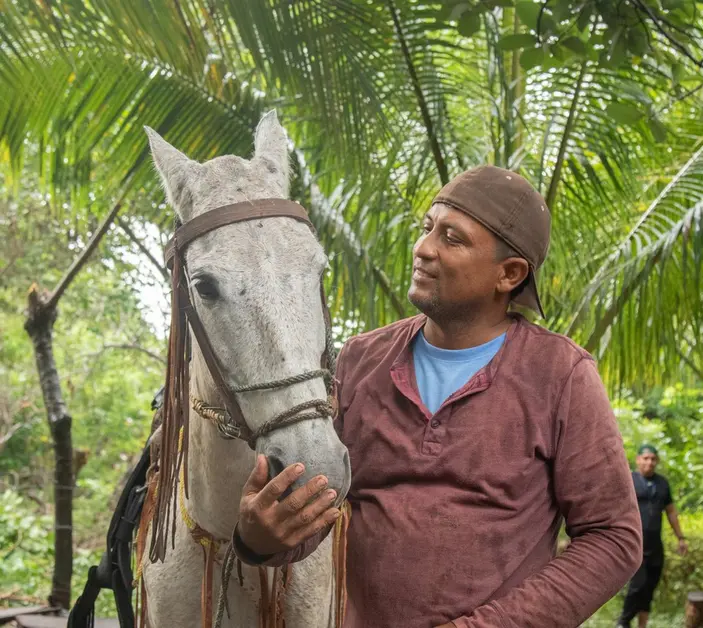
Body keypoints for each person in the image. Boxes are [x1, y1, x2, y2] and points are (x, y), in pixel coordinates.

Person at [234, 166, 643, 628]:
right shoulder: (361, 360)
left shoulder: (560, 375)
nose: (423, 248)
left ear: (508, 274)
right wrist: (261, 537)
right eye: (427, 227)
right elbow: (320, 506)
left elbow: (614, 538)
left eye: (452, 238)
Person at [617, 444, 688, 628]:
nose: (650, 462)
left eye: (653, 458)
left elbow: (671, 512)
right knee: (637, 586)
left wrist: (681, 538)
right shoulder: (629, 480)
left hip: (656, 546)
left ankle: (643, 625)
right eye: (646, 458)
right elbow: (616, 509)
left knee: (649, 587)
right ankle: (623, 622)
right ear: (638, 459)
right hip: (635, 545)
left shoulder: (662, 483)